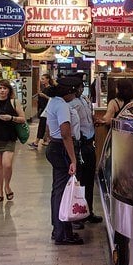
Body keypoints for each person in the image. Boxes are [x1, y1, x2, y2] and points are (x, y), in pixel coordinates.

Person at [44, 80, 83, 245]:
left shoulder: (53, 102)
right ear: (68, 92)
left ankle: (58, 229)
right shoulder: (62, 106)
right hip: (61, 148)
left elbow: (47, 125)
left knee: (57, 190)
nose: (74, 96)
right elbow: (66, 133)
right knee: (63, 192)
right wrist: (73, 159)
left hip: (54, 146)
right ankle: (63, 234)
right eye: (74, 93)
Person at [66, 77, 102, 225]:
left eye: (82, 87)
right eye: (79, 87)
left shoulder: (84, 100)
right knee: (79, 180)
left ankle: (88, 211)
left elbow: (87, 118)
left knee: (89, 179)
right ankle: (77, 215)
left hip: (89, 142)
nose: (81, 89)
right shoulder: (71, 104)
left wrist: (94, 120)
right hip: (79, 144)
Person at [28, 73, 54, 149]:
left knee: (42, 125)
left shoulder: (50, 89)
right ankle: (46, 140)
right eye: (41, 79)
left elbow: (52, 99)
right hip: (43, 109)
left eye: (43, 79)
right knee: (45, 125)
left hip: (47, 110)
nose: (42, 80)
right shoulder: (44, 88)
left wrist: (44, 96)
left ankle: (36, 142)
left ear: (48, 79)